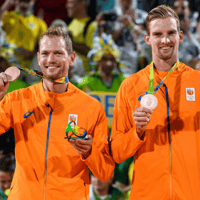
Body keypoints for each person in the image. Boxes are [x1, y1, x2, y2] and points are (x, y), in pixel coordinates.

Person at [0, 27, 115, 200]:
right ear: (38, 58)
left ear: (72, 58)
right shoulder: (17, 99)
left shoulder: (92, 107)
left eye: (58, 53)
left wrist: (90, 152)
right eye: (45, 53)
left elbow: (105, 172)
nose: (51, 59)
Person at [111, 5, 200, 200]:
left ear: (181, 37)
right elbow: (117, 152)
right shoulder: (130, 86)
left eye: (171, 33)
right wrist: (137, 132)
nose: (165, 40)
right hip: (147, 194)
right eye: (158, 34)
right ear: (147, 38)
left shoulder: (197, 82)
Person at [0, 0, 47, 76]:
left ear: (33, 1)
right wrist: (6, 5)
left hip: (26, 69)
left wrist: (32, 53)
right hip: (5, 65)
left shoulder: (39, 23)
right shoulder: (5, 16)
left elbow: (46, 47)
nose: (24, 2)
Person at [66, 0, 97, 73]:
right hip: (70, 75)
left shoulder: (92, 25)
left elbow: (91, 52)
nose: (67, 5)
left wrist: (69, 43)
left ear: (82, 3)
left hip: (84, 77)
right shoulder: (70, 23)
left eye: (70, 2)